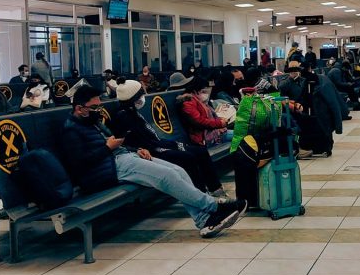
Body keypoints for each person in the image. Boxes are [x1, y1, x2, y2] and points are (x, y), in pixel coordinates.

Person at [61, 85, 245, 238]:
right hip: (110, 167)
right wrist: (107, 148)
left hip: (123, 156)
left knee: (178, 171)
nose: (98, 111)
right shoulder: (71, 131)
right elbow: (80, 164)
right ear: (79, 108)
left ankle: (204, 221)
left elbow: (114, 143)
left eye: (99, 107)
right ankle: (213, 206)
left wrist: (135, 149)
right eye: (94, 108)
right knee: (166, 176)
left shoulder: (91, 122)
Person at [111, 80, 226, 197]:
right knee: (188, 158)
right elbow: (125, 142)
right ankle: (201, 194)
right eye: (141, 94)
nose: (143, 97)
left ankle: (216, 189)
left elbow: (151, 136)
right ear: (134, 97)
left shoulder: (133, 112)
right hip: (148, 150)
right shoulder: (122, 116)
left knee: (201, 151)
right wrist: (138, 149)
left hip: (157, 144)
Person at [177, 77, 232, 150]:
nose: (206, 94)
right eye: (203, 92)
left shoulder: (199, 101)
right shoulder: (188, 103)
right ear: (195, 91)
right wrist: (220, 123)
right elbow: (199, 121)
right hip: (203, 139)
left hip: (214, 134)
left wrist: (219, 121)